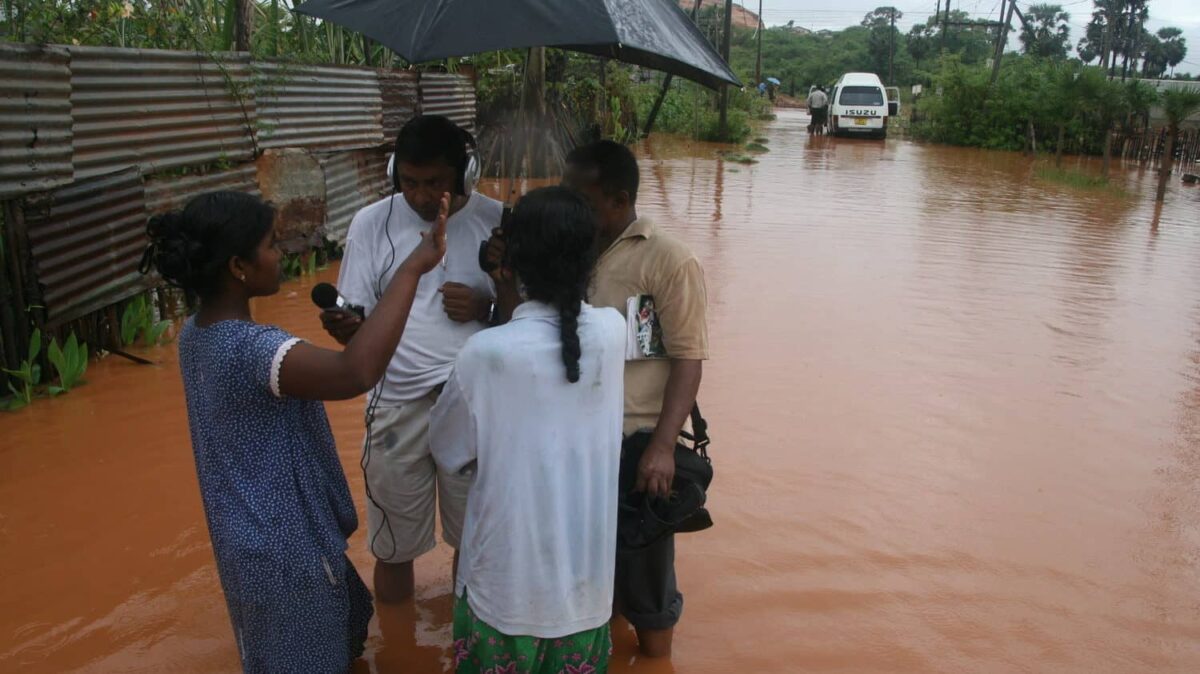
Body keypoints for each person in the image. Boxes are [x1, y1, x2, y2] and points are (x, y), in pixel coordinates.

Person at [140, 190, 448, 672]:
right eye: (269, 244)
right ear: (239, 266)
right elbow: (356, 373)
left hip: (251, 542)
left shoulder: (196, 336)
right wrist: (412, 268)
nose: (280, 253)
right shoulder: (253, 350)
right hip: (287, 553)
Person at [430, 187, 626, 673]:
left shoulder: (486, 353)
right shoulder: (614, 332)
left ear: (509, 265)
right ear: (591, 261)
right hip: (585, 595)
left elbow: (447, 449)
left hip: (504, 593)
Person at [321, 115, 510, 604]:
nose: (423, 196)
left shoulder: (501, 222)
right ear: (393, 173)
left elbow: (531, 321)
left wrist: (486, 306)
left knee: (476, 546)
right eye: (409, 183)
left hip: (476, 410)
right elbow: (359, 324)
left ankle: (466, 646)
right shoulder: (371, 223)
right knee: (391, 549)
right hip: (395, 407)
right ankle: (398, 646)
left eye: (436, 183)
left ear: (465, 174)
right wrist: (349, 328)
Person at [563, 141, 709, 658]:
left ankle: (654, 660)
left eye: (579, 198)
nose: (568, 205)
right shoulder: (571, 252)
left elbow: (689, 359)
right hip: (579, 441)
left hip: (636, 441)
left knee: (647, 581)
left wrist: (664, 448)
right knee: (588, 571)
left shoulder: (668, 259)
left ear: (619, 199)